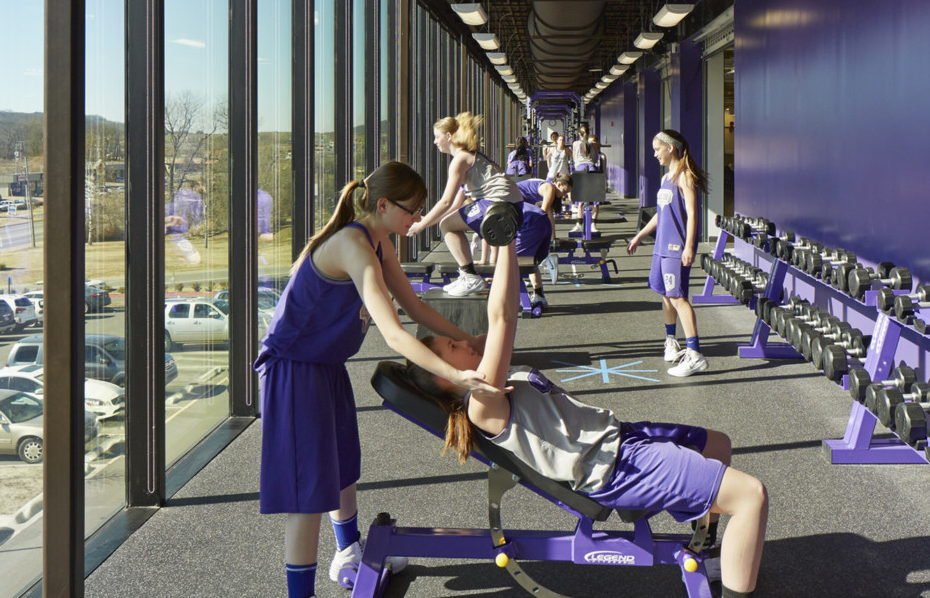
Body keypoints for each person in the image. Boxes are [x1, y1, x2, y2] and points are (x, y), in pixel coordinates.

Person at [402, 240, 769, 598]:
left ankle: (711, 554)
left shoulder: (481, 378)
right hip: (612, 467)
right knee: (751, 496)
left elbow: (506, 307)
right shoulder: (482, 403)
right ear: (444, 377)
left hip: (619, 439)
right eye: (452, 347)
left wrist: (508, 245)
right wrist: (501, 243)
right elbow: (503, 319)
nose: (463, 342)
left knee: (717, 444)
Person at [256, 161, 503, 598]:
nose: (417, 218)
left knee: (342, 467)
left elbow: (417, 309)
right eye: (412, 210)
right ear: (384, 204)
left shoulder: (379, 241)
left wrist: (471, 342)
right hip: (294, 372)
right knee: (308, 496)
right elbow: (393, 333)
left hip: (325, 365)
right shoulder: (353, 244)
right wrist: (456, 374)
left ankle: (347, 551)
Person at [408, 112, 525, 297]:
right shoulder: (470, 158)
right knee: (448, 222)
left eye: (437, 137)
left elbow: (445, 201)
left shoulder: (460, 160)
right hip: (510, 206)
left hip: (499, 205)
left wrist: (421, 226)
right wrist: (427, 220)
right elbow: (454, 206)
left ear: (448, 137)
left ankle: (470, 277)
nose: (435, 142)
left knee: (446, 225)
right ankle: (467, 276)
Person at [627, 129, 710, 377]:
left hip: (675, 249)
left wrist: (689, 246)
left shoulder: (684, 177)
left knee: (677, 298)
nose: (655, 154)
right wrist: (640, 235)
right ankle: (672, 343)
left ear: (670, 148)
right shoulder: (666, 178)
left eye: (657, 149)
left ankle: (695, 355)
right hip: (660, 248)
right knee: (665, 295)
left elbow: (694, 214)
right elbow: (660, 214)